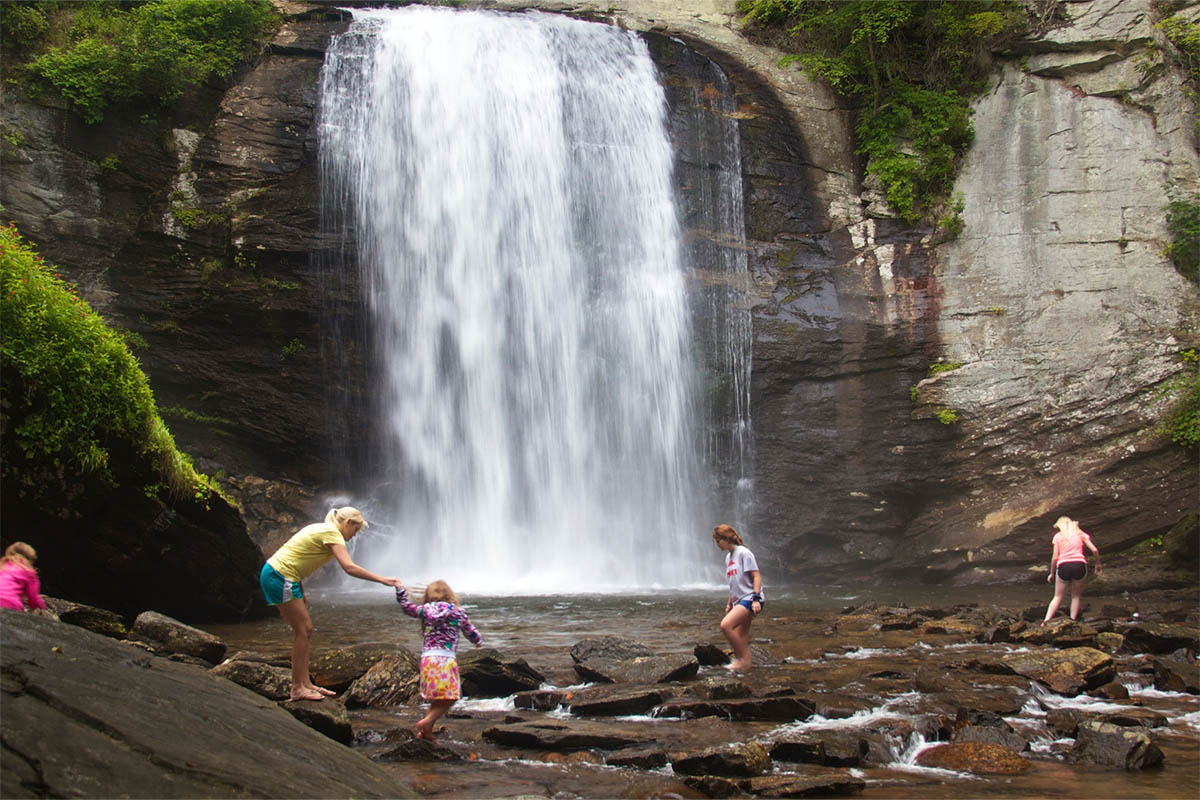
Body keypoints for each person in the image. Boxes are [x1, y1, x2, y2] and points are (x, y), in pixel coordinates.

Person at [260, 507, 402, 701]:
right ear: (348, 523)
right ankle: (297, 687)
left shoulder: (322, 529)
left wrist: (300, 589)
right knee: (304, 630)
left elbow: (297, 555)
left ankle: (306, 683)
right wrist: (384, 580)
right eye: (355, 530)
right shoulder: (332, 533)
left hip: (282, 574)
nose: (354, 536)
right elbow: (349, 567)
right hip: (280, 576)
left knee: (305, 630)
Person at [395, 579, 483, 742]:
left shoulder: (424, 610)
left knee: (440, 697)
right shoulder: (458, 612)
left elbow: (407, 607)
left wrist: (401, 592)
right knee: (452, 696)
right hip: (445, 658)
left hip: (428, 659)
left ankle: (427, 729)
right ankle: (426, 722)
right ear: (450, 595)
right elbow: (469, 630)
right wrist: (478, 640)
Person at [712, 524, 763, 672]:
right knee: (740, 635)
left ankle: (743, 661)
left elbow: (756, 576)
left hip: (750, 598)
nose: (717, 545)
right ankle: (745, 667)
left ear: (726, 539)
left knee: (726, 625)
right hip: (739, 600)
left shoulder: (744, 553)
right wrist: (730, 603)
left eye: (718, 541)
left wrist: (756, 598)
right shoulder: (729, 557)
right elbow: (734, 583)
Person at [1042, 515, 1102, 625]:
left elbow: (1055, 557)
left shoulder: (1058, 537)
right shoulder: (1080, 534)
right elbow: (1094, 550)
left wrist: (1051, 573)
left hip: (1063, 566)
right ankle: (1073, 621)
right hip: (1079, 565)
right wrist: (1098, 564)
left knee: (1057, 596)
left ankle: (1045, 621)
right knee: (1075, 596)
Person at [0, 542, 47, 612]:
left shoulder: (2, 567)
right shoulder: (28, 573)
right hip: (10, 604)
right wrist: (44, 610)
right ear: (30, 559)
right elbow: (33, 599)